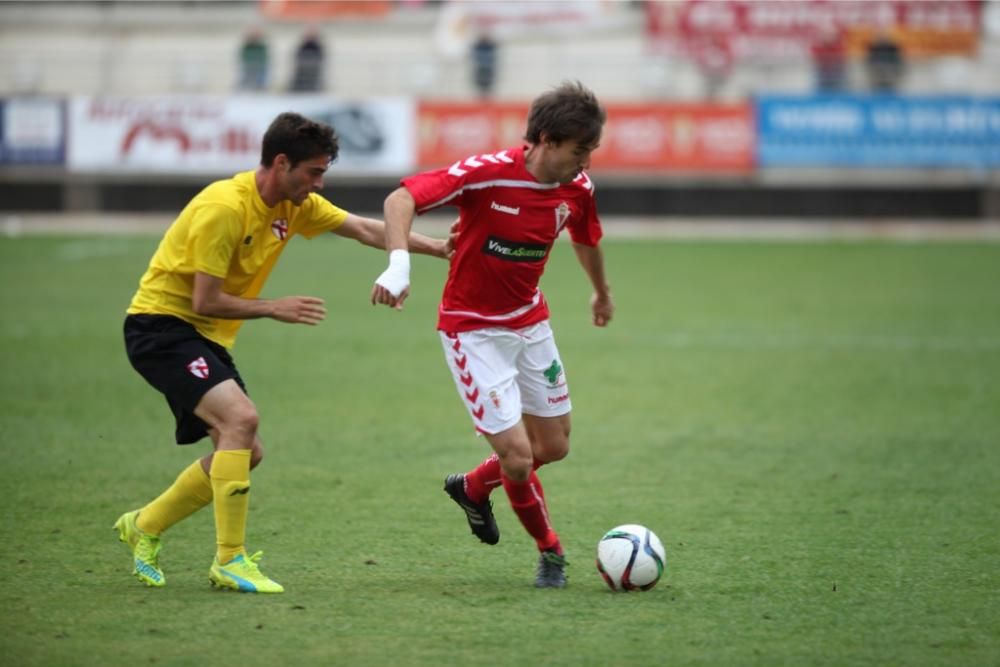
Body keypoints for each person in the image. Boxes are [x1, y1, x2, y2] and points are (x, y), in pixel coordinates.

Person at [116, 112, 452, 594]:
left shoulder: (296, 204)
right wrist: (274, 307)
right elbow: (203, 300)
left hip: (203, 335)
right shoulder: (224, 208)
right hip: (161, 327)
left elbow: (362, 229)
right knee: (241, 420)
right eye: (313, 172)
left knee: (245, 452)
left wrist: (437, 247)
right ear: (280, 163)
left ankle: (143, 525)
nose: (318, 183)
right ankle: (229, 561)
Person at [371, 81, 613, 588]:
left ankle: (474, 487)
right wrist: (399, 266)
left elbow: (586, 238)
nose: (586, 161)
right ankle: (552, 553)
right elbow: (400, 199)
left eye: (591, 150)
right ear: (545, 140)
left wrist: (600, 292)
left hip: (530, 323)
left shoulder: (578, 189)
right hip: (472, 332)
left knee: (555, 446)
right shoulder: (485, 176)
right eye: (579, 150)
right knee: (519, 459)